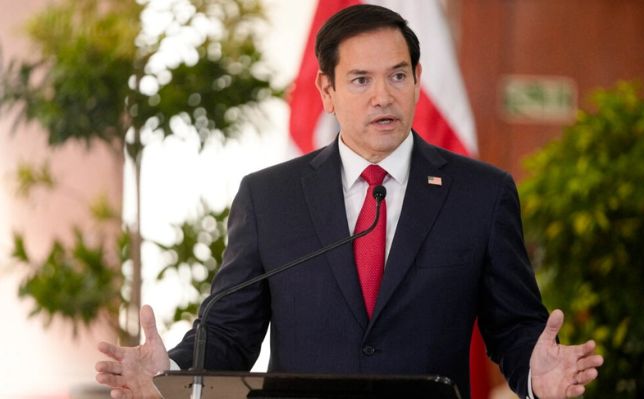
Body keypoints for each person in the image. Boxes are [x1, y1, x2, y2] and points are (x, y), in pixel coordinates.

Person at [95, 5, 603, 399]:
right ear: (327, 90)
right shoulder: (270, 196)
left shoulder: (482, 194)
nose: (383, 95)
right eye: (361, 80)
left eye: (398, 76)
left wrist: (537, 375)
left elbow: (512, 326)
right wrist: (173, 373)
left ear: (418, 80)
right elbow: (229, 331)